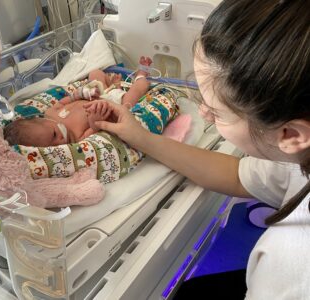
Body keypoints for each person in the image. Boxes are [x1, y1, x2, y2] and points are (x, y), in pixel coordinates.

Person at [88, 0, 310, 299]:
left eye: (217, 112)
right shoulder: (297, 157)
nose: (203, 113)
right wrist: (140, 137)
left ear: (291, 134)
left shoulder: (292, 266)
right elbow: (237, 175)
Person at [3, 56, 153, 147]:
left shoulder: (51, 112)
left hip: (94, 94)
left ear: (42, 120)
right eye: (51, 147)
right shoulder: (75, 138)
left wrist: (79, 94)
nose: (60, 142)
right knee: (135, 94)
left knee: (95, 73)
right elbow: (92, 132)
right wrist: (95, 121)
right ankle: (141, 75)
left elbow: (64, 102)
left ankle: (112, 84)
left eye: (54, 135)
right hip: (113, 105)